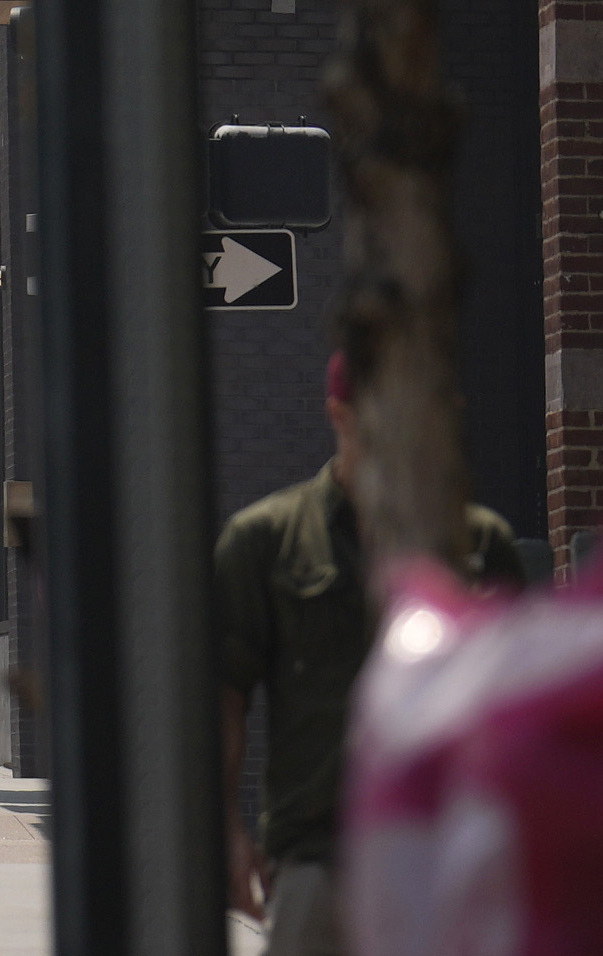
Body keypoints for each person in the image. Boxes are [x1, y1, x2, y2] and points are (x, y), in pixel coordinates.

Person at [214, 356, 528, 952]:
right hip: (320, 853)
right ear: (340, 417)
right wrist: (226, 829)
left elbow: (516, 705)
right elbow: (222, 690)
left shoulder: (481, 544)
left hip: (449, 858)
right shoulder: (268, 540)